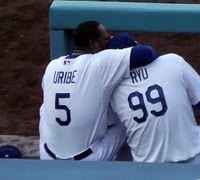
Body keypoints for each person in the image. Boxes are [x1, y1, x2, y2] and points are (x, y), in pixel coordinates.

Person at [107, 32, 200, 164]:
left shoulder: (111, 87)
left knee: (122, 132)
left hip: (146, 172)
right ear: (138, 47)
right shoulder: (172, 61)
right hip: (196, 161)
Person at [39, 20, 158, 161]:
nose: (109, 41)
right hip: (87, 160)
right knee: (128, 118)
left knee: (44, 109)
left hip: (47, 156)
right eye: (106, 39)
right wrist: (116, 43)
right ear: (92, 44)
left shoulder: (53, 65)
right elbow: (147, 53)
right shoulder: (100, 62)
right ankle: (126, 170)